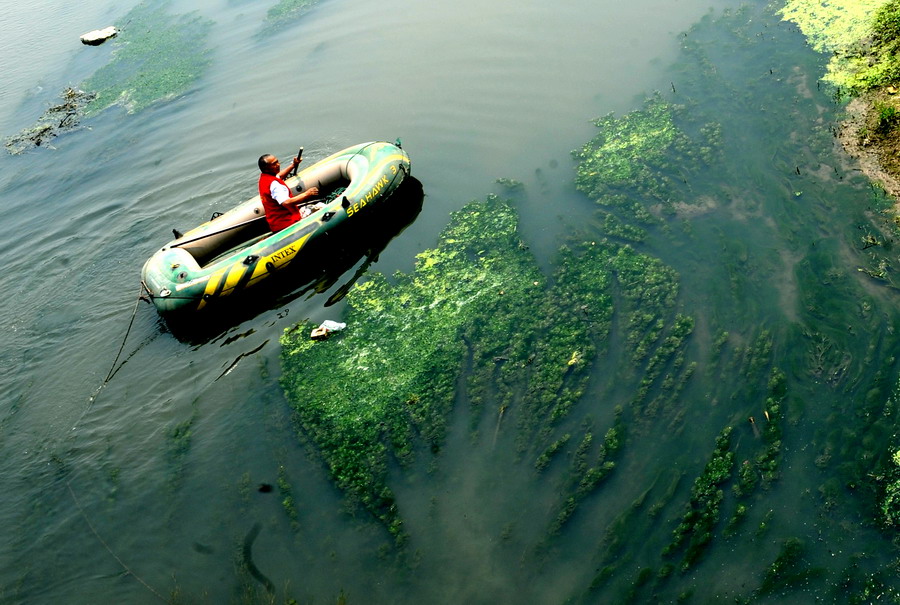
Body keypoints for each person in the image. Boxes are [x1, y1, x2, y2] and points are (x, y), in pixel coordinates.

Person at [257, 153, 321, 232]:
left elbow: (279, 176)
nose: (278, 165)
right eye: (274, 164)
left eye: (277, 162)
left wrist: (293, 165)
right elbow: (286, 202)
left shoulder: (264, 178)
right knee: (320, 207)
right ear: (266, 168)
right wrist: (306, 194)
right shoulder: (275, 185)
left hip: (275, 223)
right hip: (287, 223)